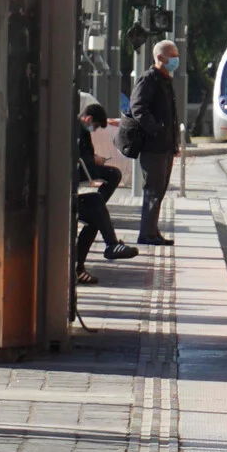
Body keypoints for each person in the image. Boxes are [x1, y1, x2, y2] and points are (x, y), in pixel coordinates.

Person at [74, 103, 137, 284]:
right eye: (94, 126)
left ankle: (80, 267)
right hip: (61, 194)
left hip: (70, 190)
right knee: (96, 206)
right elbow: (80, 158)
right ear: (88, 119)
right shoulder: (75, 131)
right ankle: (110, 245)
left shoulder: (81, 131)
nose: (93, 130)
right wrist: (94, 160)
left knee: (96, 209)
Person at [129, 40, 184, 246]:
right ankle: (147, 234)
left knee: (159, 190)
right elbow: (138, 108)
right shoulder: (148, 79)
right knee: (153, 190)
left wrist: (173, 143)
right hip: (153, 147)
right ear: (160, 57)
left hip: (165, 146)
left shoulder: (165, 79)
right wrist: (156, 129)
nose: (176, 59)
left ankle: (152, 231)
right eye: (173, 55)